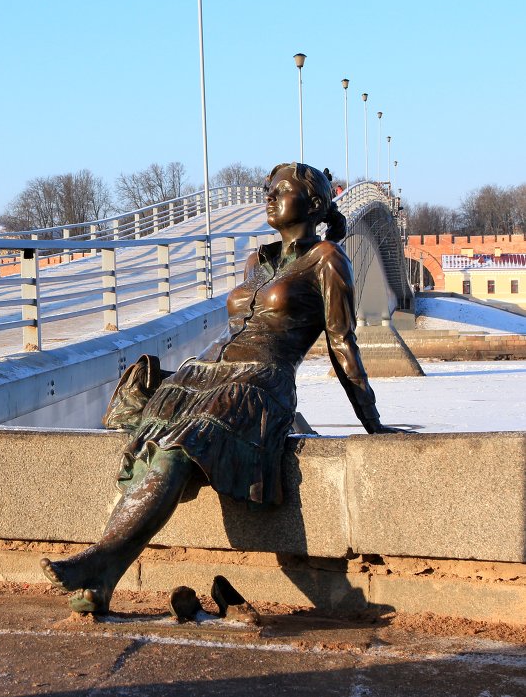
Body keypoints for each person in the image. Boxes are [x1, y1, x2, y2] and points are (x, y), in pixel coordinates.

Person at [41, 162, 409, 614]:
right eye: (267, 189)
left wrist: (373, 423)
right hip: (201, 379)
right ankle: (102, 583)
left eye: (282, 190)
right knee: (149, 453)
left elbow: (342, 345)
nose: (269, 196)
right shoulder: (257, 260)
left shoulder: (329, 259)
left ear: (313, 205)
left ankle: (98, 560)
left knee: (177, 450)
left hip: (257, 386)